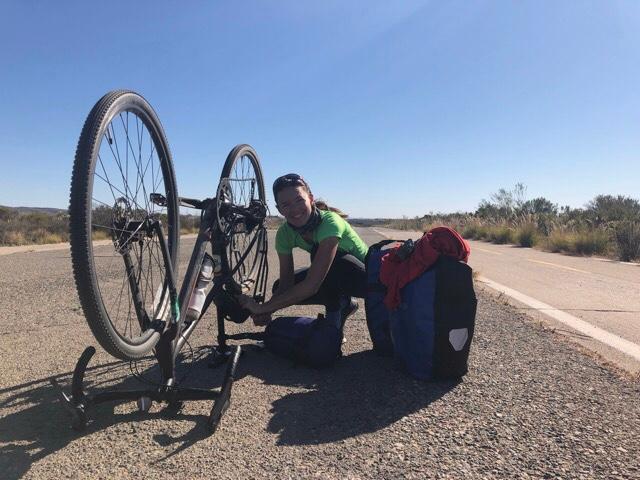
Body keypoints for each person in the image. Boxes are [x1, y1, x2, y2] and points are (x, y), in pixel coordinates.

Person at [238, 173, 368, 330]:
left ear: (311, 198)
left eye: (299, 200)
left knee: (326, 259)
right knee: (279, 287)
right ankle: (344, 305)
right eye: (286, 205)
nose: (295, 209)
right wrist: (268, 310)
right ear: (279, 209)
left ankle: (335, 317)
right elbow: (286, 284)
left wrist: (262, 307)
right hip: (337, 277)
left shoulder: (330, 222)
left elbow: (312, 285)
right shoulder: (284, 233)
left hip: (369, 279)